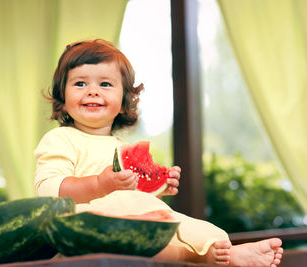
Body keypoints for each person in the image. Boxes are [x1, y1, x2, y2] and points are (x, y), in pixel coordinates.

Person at [34, 39, 283, 266]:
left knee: (185, 225)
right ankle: (201, 258)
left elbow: (133, 198)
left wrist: (158, 188)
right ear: (62, 97)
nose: (92, 91)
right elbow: (49, 191)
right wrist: (100, 183)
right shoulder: (59, 139)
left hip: (140, 224)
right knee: (133, 239)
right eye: (80, 83)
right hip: (91, 228)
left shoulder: (121, 147)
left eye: (105, 84)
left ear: (124, 102)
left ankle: (219, 253)